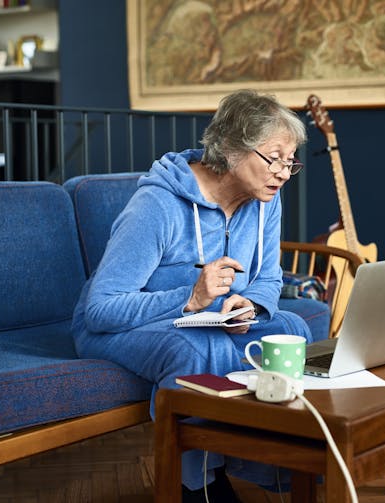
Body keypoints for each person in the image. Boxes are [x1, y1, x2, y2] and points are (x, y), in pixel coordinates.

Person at [71, 89, 322, 500]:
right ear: (230, 148)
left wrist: (252, 304)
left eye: (289, 161)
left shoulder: (265, 201)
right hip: (118, 326)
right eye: (273, 157)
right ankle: (195, 483)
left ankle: (281, 464)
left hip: (211, 316)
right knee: (195, 349)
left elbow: (270, 279)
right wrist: (190, 298)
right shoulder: (157, 205)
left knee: (290, 327)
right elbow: (101, 309)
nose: (282, 171)